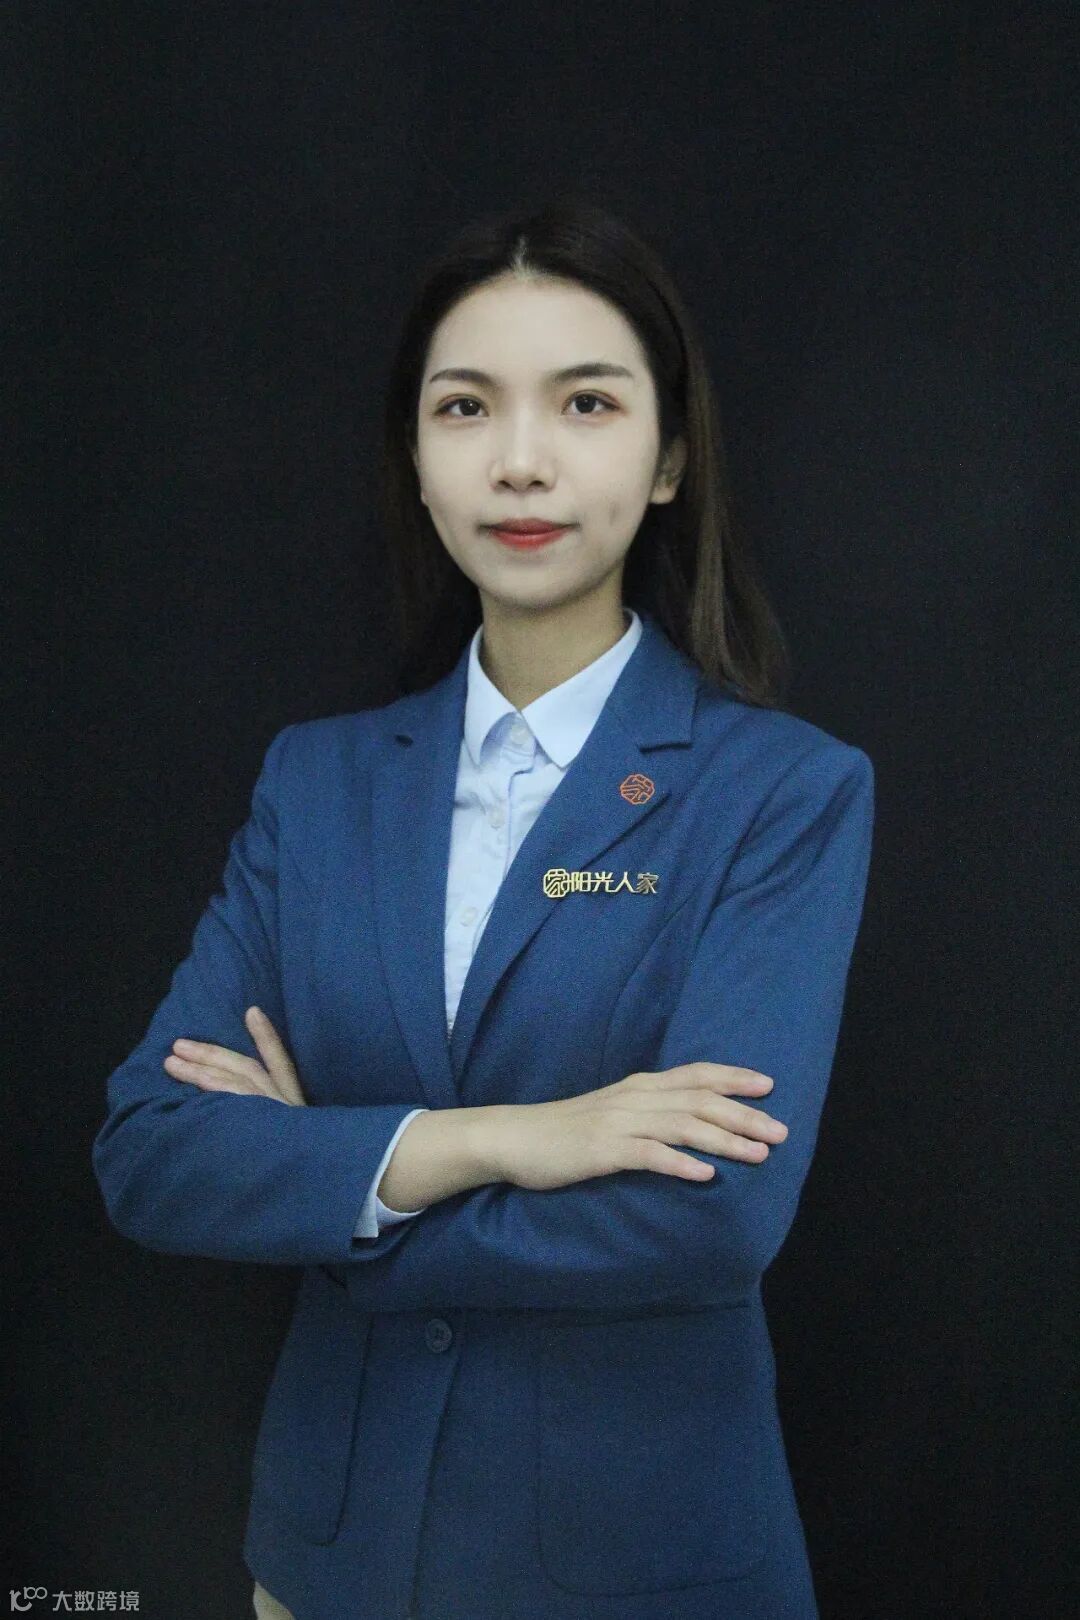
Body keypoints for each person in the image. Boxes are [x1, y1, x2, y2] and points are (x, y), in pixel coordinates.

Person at [92, 198, 876, 1620]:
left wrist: (333, 1189)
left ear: (670, 457)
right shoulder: (317, 782)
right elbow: (152, 1153)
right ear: (416, 454)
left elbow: (713, 1219)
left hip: (639, 1568)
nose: (520, 459)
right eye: (466, 406)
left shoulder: (782, 791)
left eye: (587, 402)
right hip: (329, 1565)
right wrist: (515, 1138)